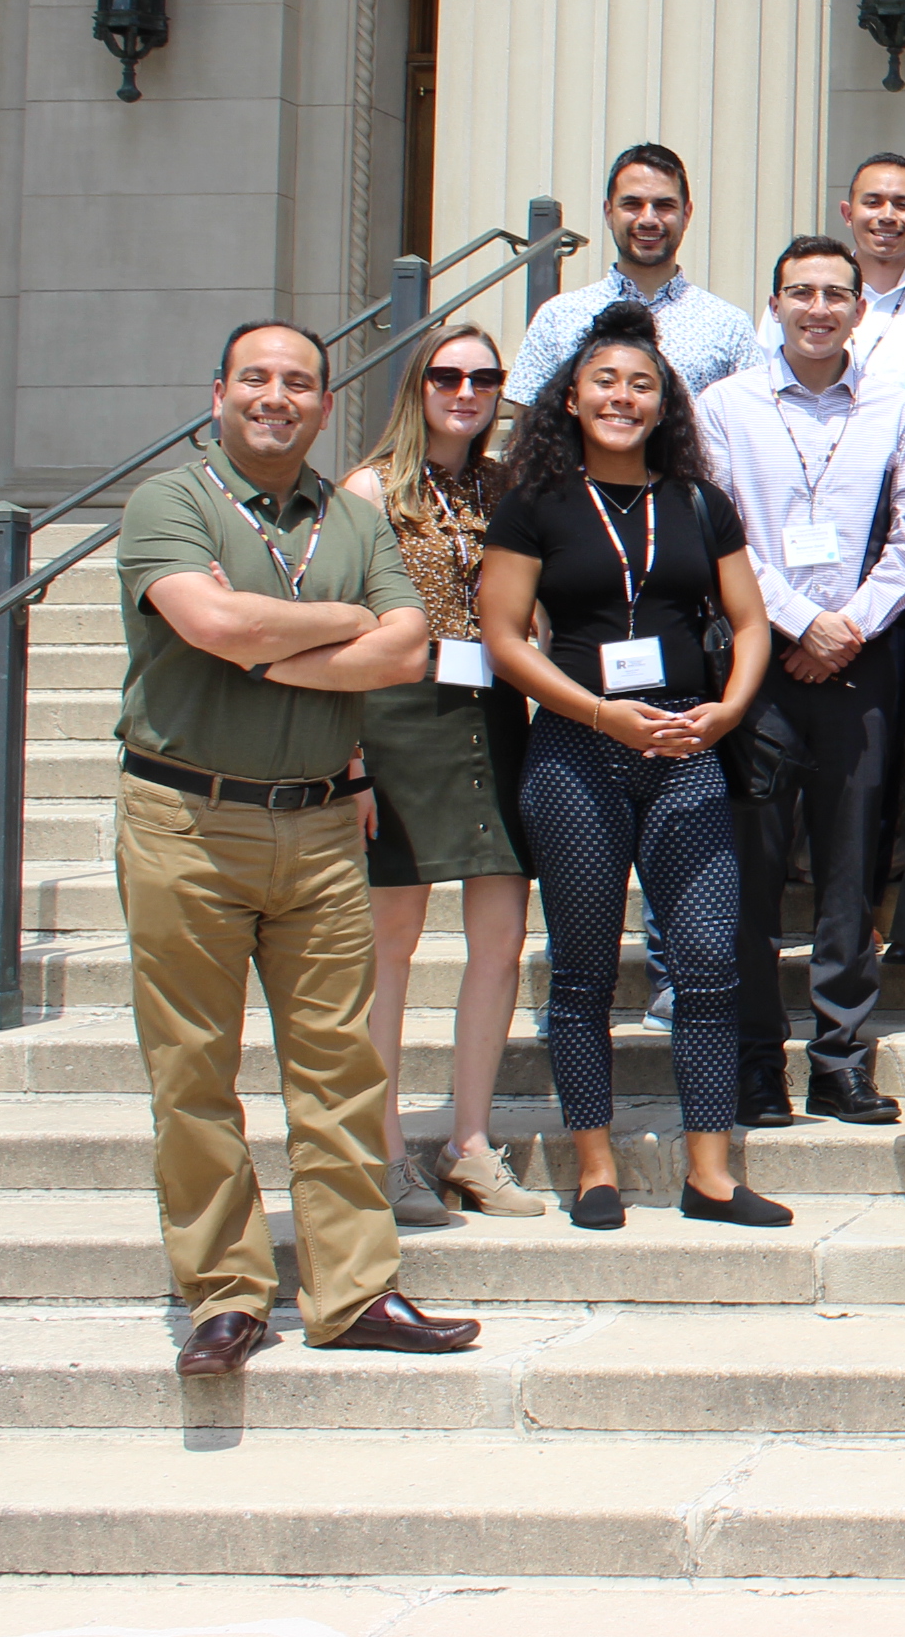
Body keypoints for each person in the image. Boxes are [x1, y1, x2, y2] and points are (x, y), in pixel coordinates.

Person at [112, 319, 477, 1374]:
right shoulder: (168, 503)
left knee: (339, 1067)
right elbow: (207, 626)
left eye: (300, 383)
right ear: (218, 390)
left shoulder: (353, 518)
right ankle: (224, 1294)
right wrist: (327, 628)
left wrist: (268, 651)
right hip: (188, 821)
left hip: (321, 824)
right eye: (257, 378)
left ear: (325, 405)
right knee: (194, 1067)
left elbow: (408, 645)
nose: (277, 395)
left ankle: (353, 1287)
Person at [478, 305, 790, 1230]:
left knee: (705, 963)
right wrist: (599, 713)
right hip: (576, 751)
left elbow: (749, 622)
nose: (623, 397)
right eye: (605, 382)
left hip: (686, 751)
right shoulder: (534, 504)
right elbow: (502, 638)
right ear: (570, 398)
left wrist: (728, 709)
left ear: (665, 405)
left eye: (642, 385)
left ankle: (711, 1173)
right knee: (580, 971)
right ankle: (595, 1166)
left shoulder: (697, 502)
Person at [697, 237, 905, 1128]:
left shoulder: (897, 409)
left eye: (837, 293)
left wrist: (845, 632)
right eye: (800, 292)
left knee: (849, 872)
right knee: (754, 880)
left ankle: (840, 1060)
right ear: (775, 306)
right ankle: (759, 1063)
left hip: (861, 664)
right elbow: (726, 534)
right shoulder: (724, 409)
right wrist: (800, 624)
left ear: (860, 311)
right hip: (759, 666)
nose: (820, 308)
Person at [343, 323, 542, 1227]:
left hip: (493, 718)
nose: (467, 390)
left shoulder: (507, 487)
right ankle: (381, 1151)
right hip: (396, 718)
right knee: (393, 941)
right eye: (448, 375)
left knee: (499, 938)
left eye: (485, 376)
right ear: (417, 385)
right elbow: (340, 625)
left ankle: (469, 1142)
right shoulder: (368, 489)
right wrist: (344, 752)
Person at [506, 143, 759, 404]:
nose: (648, 219)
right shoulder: (558, 318)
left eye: (664, 205)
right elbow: (528, 429)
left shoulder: (729, 327)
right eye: (632, 204)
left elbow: (751, 425)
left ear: (686, 214)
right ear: (608, 213)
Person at [755, 152, 905, 396]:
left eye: (902, 204)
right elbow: (763, 381)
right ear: (848, 214)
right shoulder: (797, 299)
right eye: (872, 202)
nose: (887, 216)